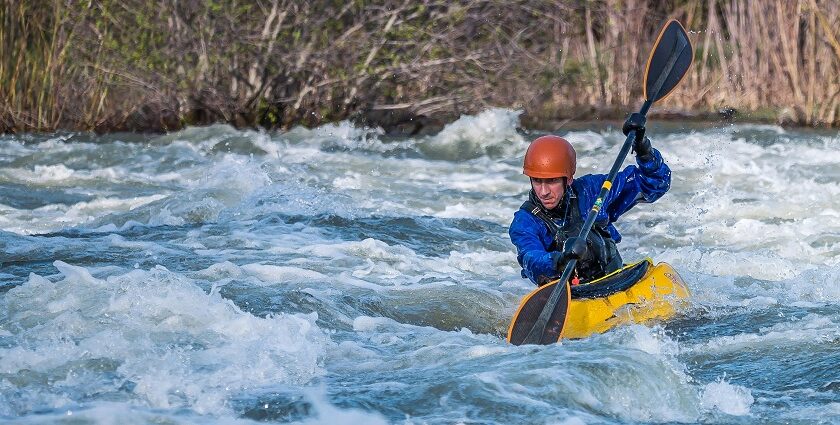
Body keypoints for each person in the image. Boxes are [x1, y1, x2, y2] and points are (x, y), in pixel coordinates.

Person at [508, 114, 671, 286]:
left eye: (552, 181)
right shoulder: (525, 221)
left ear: (568, 179)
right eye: (537, 181)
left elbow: (656, 184)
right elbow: (530, 258)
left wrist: (643, 148)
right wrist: (560, 260)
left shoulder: (592, 191)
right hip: (570, 294)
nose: (543, 192)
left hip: (615, 280)